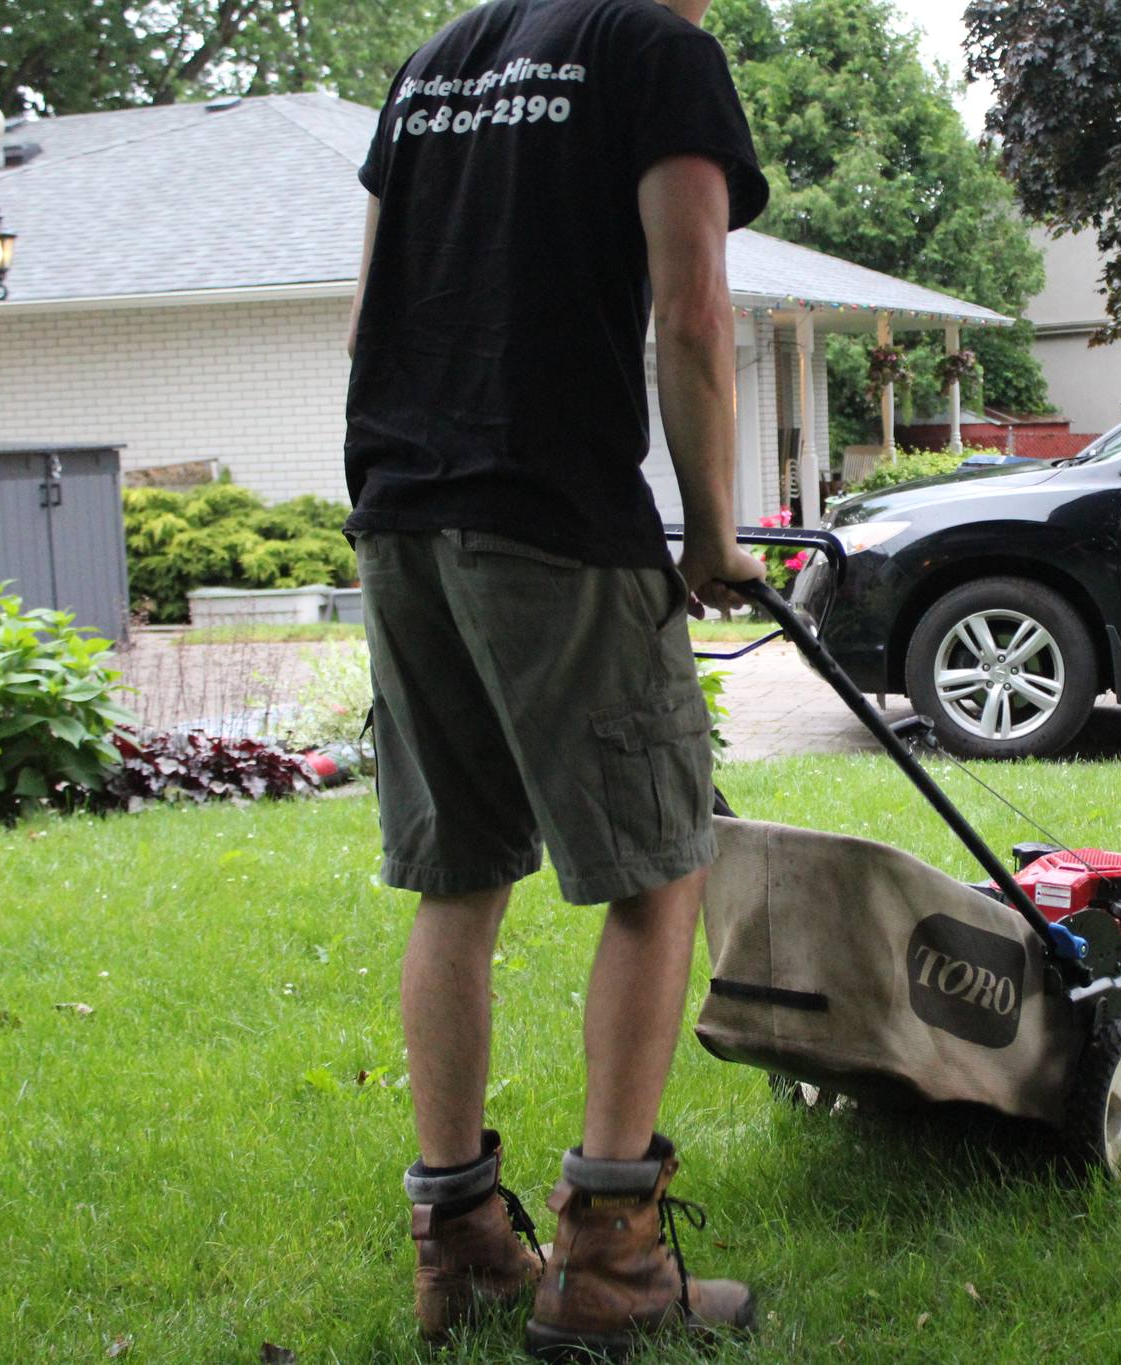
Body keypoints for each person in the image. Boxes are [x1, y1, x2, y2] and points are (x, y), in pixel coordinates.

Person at [341, 0, 770, 1355]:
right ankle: (608, 1262)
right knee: (657, 870)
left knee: (457, 880)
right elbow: (693, 311)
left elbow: (370, 317)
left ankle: (461, 1242)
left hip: (403, 512)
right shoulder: (659, 55)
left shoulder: (436, 65)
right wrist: (711, 531)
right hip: (552, 520)